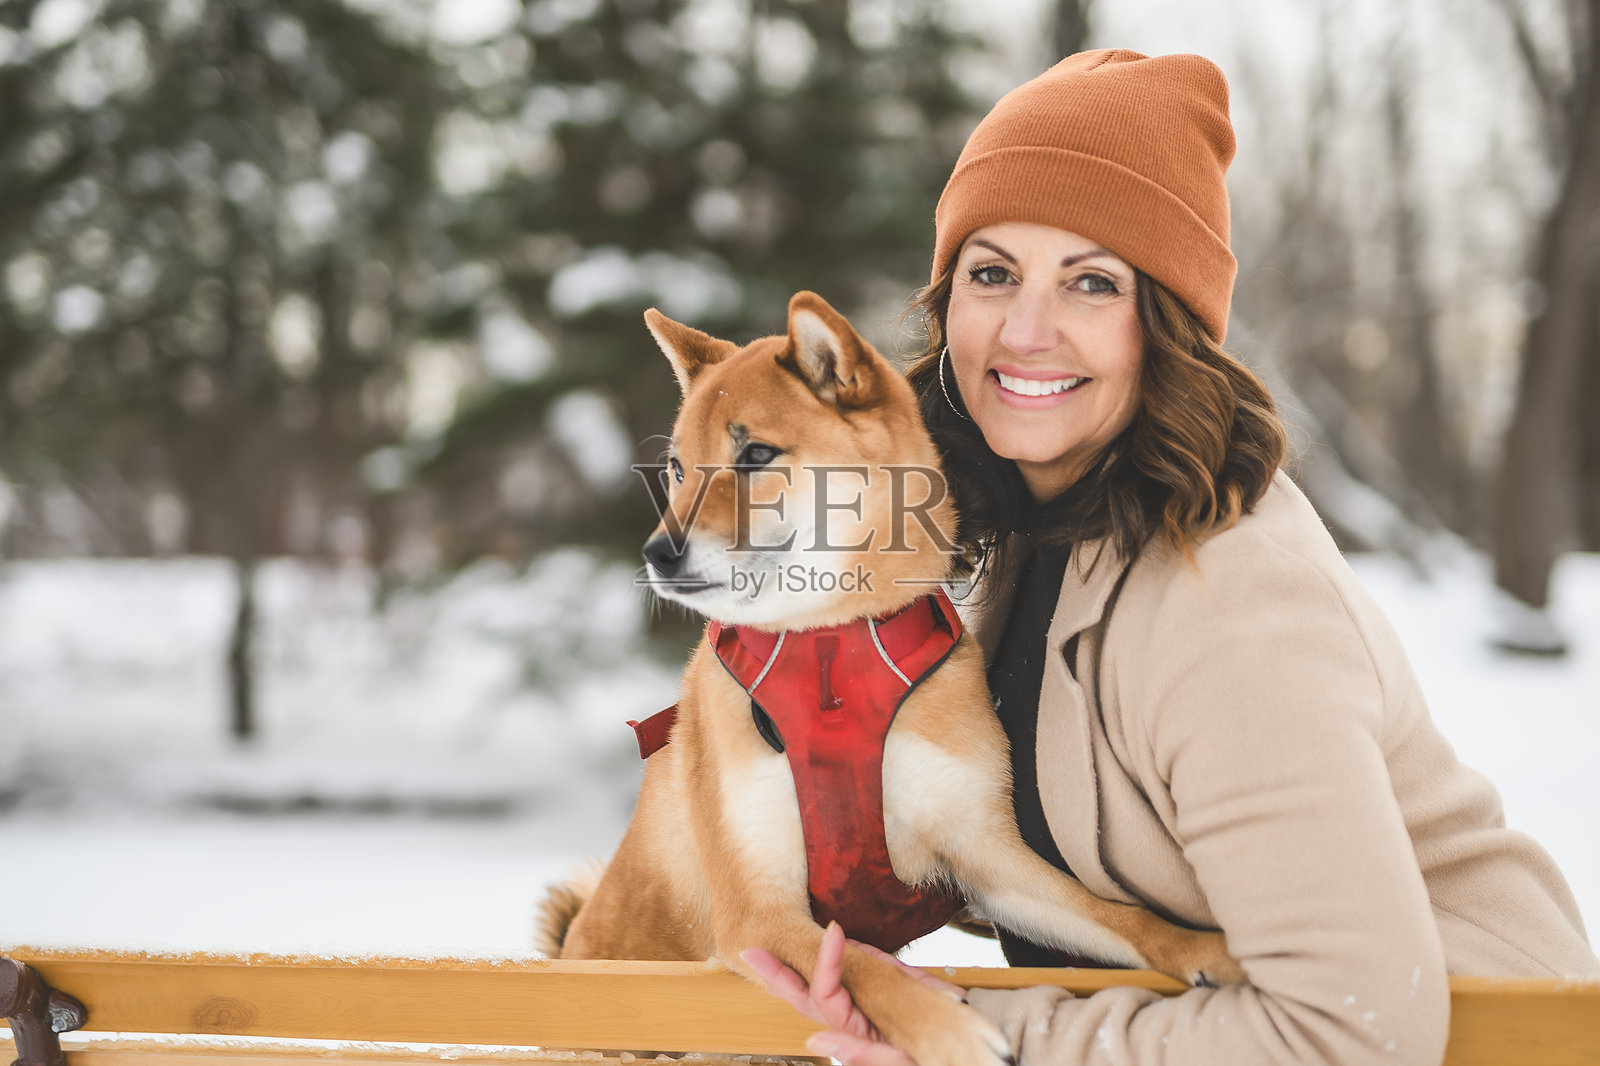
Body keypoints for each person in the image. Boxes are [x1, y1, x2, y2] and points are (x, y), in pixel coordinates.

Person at [741, 48, 1600, 1065]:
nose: (1026, 330)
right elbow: (1104, 852)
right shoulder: (1031, 541)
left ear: (1165, 327)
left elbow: (1348, 1030)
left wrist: (974, 1036)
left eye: (1090, 283)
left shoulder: (1230, 596)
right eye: (991, 272)